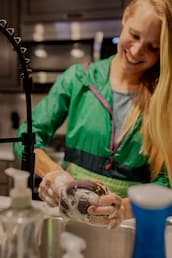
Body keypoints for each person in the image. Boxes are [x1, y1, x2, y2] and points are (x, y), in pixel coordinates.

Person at [14, 0, 172, 228]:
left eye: (153, 47)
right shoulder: (79, 79)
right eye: (135, 35)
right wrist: (54, 176)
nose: (137, 51)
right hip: (70, 222)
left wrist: (124, 209)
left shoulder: (164, 98)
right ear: (125, 17)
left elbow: (166, 183)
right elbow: (25, 137)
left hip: (128, 226)